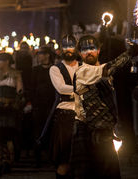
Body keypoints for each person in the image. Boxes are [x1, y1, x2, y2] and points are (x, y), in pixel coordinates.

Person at [70, 35, 138, 178]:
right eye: (84, 49)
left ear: (99, 50)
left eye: (92, 48)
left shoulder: (105, 73)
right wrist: (128, 54)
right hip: (87, 134)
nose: (88, 52)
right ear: (79, 53)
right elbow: (110, 68)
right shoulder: (81, 71)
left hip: (106, 133)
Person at [0, 53, 23, 176]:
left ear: (7, 61)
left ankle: (7, 162)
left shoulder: (16, 74)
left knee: (8, 137)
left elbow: (20, 92)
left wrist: (13, 104)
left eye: (0, 60)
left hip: (10, 109)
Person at [49, 35, 79, 178]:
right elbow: (61, 88)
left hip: (83, 115)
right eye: (65, 46)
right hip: (65, 115)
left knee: (80, 160)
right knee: (64, 160)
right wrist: (82, 89)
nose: (68, 49)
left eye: (71, 45)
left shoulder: (84, 66)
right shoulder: (56, 69)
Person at [29, 46, 56, 167]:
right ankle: (37, 157)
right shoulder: (35, 70)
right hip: (38, 105)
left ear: (47, 55)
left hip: (52, 105)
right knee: (38, 131)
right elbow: (32, 87)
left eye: (41, 54)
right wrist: (33, 102)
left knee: (51, 131)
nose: (39, 56)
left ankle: (51, 157)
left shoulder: (55, 69)